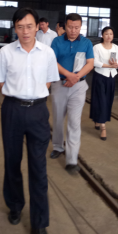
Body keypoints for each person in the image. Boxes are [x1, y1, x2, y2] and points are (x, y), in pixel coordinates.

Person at [0, 8, 60, 234]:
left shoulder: (47, 53)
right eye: (20, 27)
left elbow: (49, 81)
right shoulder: (5, 52)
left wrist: (33, 97)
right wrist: (18, 96)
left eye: (29, 26)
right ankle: (15, 206)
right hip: (12, 110)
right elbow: (0, 82)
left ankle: (40, 223)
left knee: (38, 168)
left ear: (37, 27)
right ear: (15, 28)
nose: (25, 31)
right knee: (12, 162)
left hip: (38, 112)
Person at [50, 13, 94, 174]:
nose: (73, 30)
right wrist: (69, 75)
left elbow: (90, 63)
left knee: (74, 123)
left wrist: (75, 77)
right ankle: (57, 146)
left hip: (78, 87)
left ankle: (72, 159)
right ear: (65, 26)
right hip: (59, 84)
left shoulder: (86, 43)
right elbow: (52, 61)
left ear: (81, 27)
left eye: (76, 27)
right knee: (58, 118)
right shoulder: (56, 41)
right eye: (70, 27)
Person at [90, 26, 118, 141]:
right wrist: (108, 65)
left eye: (111, 34)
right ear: (102, 35)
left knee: (108, 101)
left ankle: (98, 119)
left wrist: (116, 65)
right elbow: (95, 62)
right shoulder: (97, 47)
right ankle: (103, 127)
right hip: (100, 76)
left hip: (111, 76)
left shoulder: (116, 47)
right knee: (101, 101)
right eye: (106, 34)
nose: (109, 36)